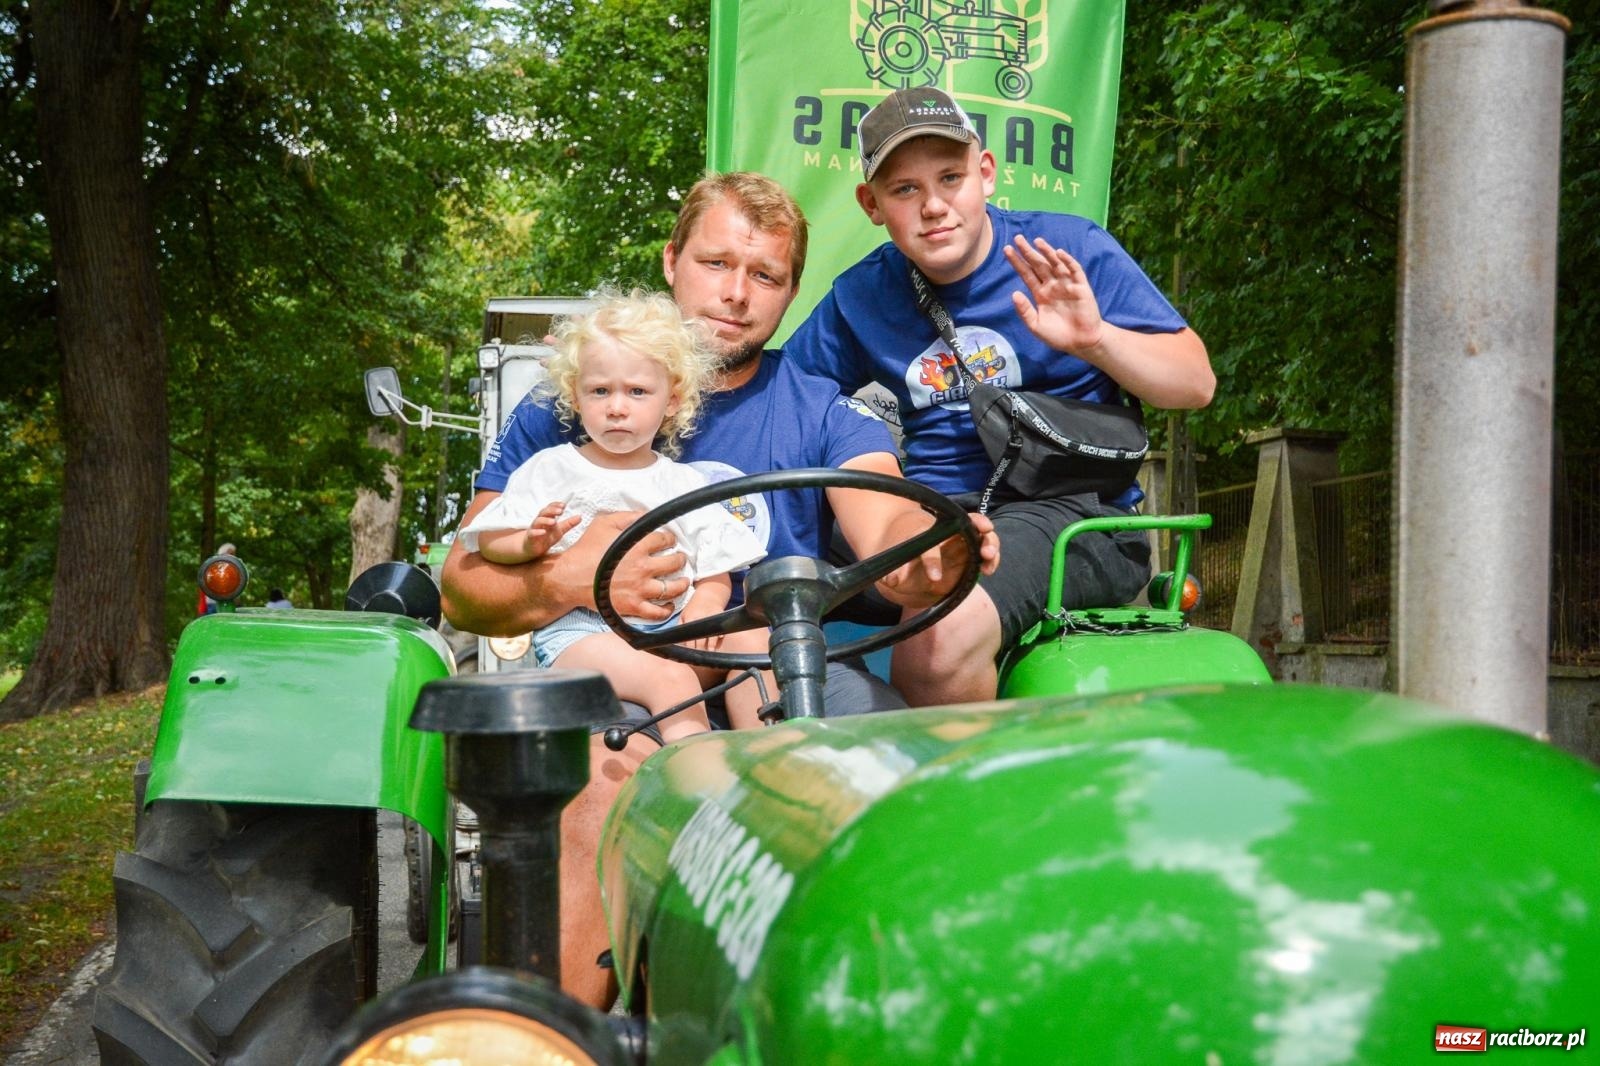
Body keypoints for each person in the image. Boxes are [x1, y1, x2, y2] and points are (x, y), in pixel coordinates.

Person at [441, 171, 998, 1007]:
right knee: (596, 768)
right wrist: (581, 577)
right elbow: (463, 586)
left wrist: (929, 558)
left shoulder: (823, 409)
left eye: (765, 275)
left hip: (776, 664)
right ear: (672, 262)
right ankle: (552, 1036)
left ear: (788, 294)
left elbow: (885, 523)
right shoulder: (575, 412)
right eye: (716, 263)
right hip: (614, 669)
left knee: (892, 772)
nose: (737, 294)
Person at [783, 87, 1216, 707]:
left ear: (985, 173)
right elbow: (784, 397)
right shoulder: (861, 296)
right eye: (905, 189)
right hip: (931, 512)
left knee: (939, 638)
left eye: (951, 177)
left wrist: (1097, 340)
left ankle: (954, 799)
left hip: (1073, 513)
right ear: (871, 204)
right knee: (771, 586)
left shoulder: (1069, 249)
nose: (933, 206)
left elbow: (1195, 384)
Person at [458, 289, 772, 737]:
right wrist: (528, 543)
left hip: (669, 629)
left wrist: (704, 604)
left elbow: (717, 567)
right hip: (582, 639)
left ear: (672, 401)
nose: (617, 406)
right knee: (672, 678)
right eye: (600, 391)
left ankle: (769, 760)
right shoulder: (552, 469)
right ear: (575, 396)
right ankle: (703, 781)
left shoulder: (682, 484)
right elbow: (489, 537)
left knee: (755, 643)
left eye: (638, 391)